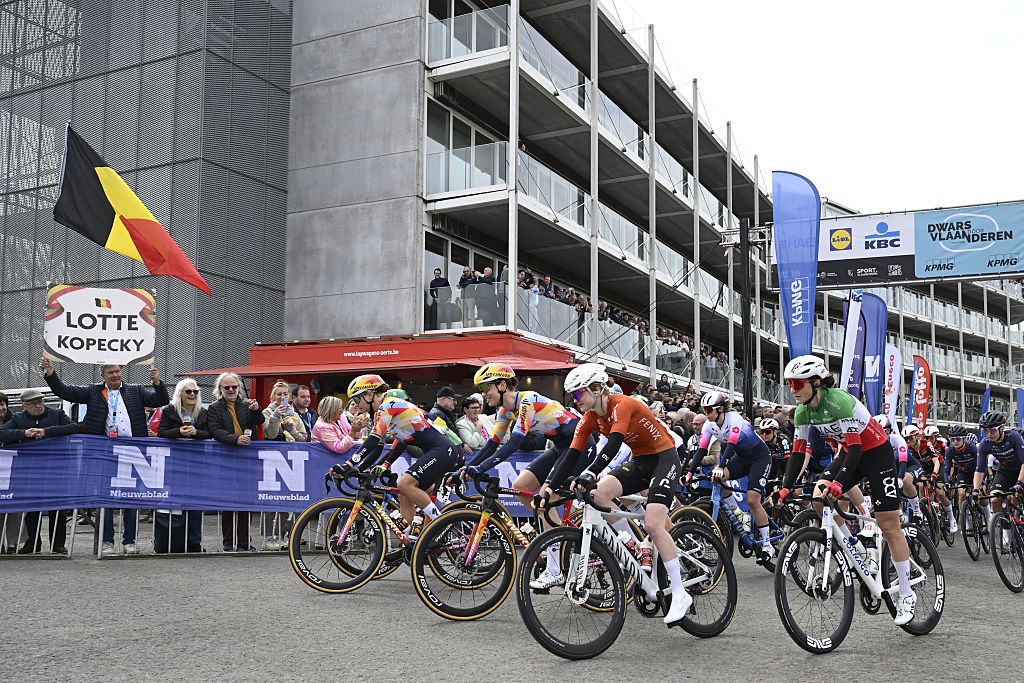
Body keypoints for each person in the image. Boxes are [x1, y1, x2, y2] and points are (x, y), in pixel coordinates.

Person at [779, 354, 917, 626]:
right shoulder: (803, 412)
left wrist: (840, 484)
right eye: (789, 384)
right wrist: (785, 488)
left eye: (797, 384)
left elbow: (855, 449)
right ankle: (855, 548)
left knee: (888, 525)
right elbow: (797, 453)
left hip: (876, 453)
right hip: (849, 453)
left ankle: (906, 591)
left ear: (816, 382)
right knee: (819, 497)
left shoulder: (839, 401)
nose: (792, 389)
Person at [557, 363, 692, 626]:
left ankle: (679, 592)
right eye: (571, 396)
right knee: (597, 494)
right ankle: (634, 544)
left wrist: (591, 471)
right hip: (641, 461)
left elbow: (614, 443)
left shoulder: (622, 404)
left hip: (665, 457)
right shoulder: (589, 418)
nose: (575, 400)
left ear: (596, 389)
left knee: (653, 523)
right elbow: (571, 454)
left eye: (577, 395)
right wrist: (550, 486)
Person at [461, 363, 593, 575]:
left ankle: (554, 566)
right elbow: (492, 444)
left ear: (502, 385)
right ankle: (555, 536)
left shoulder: (527, 400)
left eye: (486, 389)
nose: (483, 395)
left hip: (581, 444)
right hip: (561, 446)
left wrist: (481, 468)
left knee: (545, 500)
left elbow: (513, 443)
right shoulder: (505, 411)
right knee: (520, 486)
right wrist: (466, 468)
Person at [39, 356, 168, 556]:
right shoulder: (93, 391)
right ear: (103, 376)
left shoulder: (135, 390)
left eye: (117, 371)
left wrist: (157, 382)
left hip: (132, 451)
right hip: (104, 452)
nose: (115, 375)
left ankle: (129, 541)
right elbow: (64, 391)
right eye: (111, 373)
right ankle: (106, 541)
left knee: (130, 498)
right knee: (105, 498)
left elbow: (161, 400)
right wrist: (50, 372)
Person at [342, 375, 457, 537]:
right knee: (404, 493)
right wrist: (361, 468)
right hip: (437, 451)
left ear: (369, 394)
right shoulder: (380, 413)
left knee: (405, 484)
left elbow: (373, 440)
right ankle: (411, 541)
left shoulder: (388, 405)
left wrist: (347, 465)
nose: (356, 404)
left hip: (443, 450)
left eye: (356, 398)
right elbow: (378, 448)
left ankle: (442, 524)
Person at [686, 391, 775, 561]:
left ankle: (767, 545)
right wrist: (689, 473)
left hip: (759, 457)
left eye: (708, 410)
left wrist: (720, 465)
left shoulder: (734, 419)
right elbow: (701, 450)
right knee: (718, 479)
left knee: (752, 499)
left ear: (720, 409)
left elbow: (731, 445)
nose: (706, 413)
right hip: (741, 458)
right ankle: (738, 513)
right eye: (704, 410)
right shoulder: (709, 425)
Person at [0, 389, 77, 554]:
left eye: (40, 402)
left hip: (56, 468)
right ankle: (33, 543)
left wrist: (47, 431)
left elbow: (73, 427)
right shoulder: (18, 418)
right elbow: (2, 432)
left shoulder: (57, 414)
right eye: (33, 403)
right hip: (30, 470)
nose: (38, 406)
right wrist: (24, 433)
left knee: (57, 508)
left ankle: (57, 544)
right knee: (31, 507)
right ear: (24, 406)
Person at [206, 372, 265, 552]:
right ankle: (227, 541)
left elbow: (259, 421)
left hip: (246, 459)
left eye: (234, 387)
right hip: (226, 458)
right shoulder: (214, 408)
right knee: (228, 501)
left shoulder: (247, 404)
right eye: (227, 387)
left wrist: (256, 410)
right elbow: (215, 430)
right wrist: (235, 439)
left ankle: (244, 541)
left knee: (246, 501)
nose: (231, 390)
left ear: (238, 388)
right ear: (220, 389)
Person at [156, 378, 211, 553]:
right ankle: (172, 541)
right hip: (173, 464)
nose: (193, 395)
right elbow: (162, 432)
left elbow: (210, 432)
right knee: (173, 503)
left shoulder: (202, 412)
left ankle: (194, 542)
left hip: (196, 464)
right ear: (180, 393)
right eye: (189, 392)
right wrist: (178, 432)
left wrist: (196, 433)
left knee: (195, 503)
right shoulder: (169, 411)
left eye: (195, 392)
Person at [973, 411, 1024, 547]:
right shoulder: (985, 444)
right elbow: (979, 469)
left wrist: (1019, 483)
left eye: (992, 430)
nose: (989, 433)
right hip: (1005, 472)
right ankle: (1006, 531)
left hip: (1021, 469)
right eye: (985, 430)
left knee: (1016, 497)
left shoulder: (1014, 437)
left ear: (1001, 428)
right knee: (995, 499)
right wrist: (976, 490)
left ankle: (1019, 519)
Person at [429, 387, 471, 458]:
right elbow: (447, 436)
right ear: (443, 400)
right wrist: (462, 445)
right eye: (453, 399)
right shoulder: (437, 415)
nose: (456, 402)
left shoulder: (443, 413)